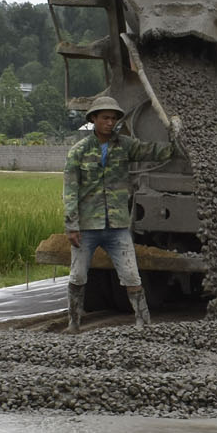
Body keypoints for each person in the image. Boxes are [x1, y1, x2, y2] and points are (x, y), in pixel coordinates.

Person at [64, 94, 176, 328]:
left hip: (117, 226)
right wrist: (71, 226)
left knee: (131, 276)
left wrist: (175, 141)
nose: (110, 122)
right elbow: (70, 191)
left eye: (113, 118)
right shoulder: (79, 152)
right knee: (78, 277)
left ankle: (142, 323)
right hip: (87, 226)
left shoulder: (125, 146)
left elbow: (153, 151)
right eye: (105, 118)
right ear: (93, 118)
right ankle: (73, 323)